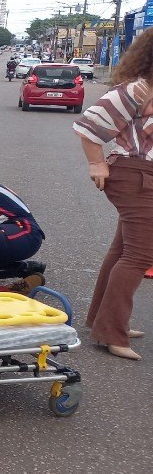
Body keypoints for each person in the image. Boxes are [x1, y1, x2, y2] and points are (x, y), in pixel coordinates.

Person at [72, 29, 153, 360]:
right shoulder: (137, 90)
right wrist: (97, 165)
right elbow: (90, 126)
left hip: (142, 175)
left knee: (123, 250)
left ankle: (102, 321)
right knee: (139, 256)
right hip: (136, 175)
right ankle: (111, 332)